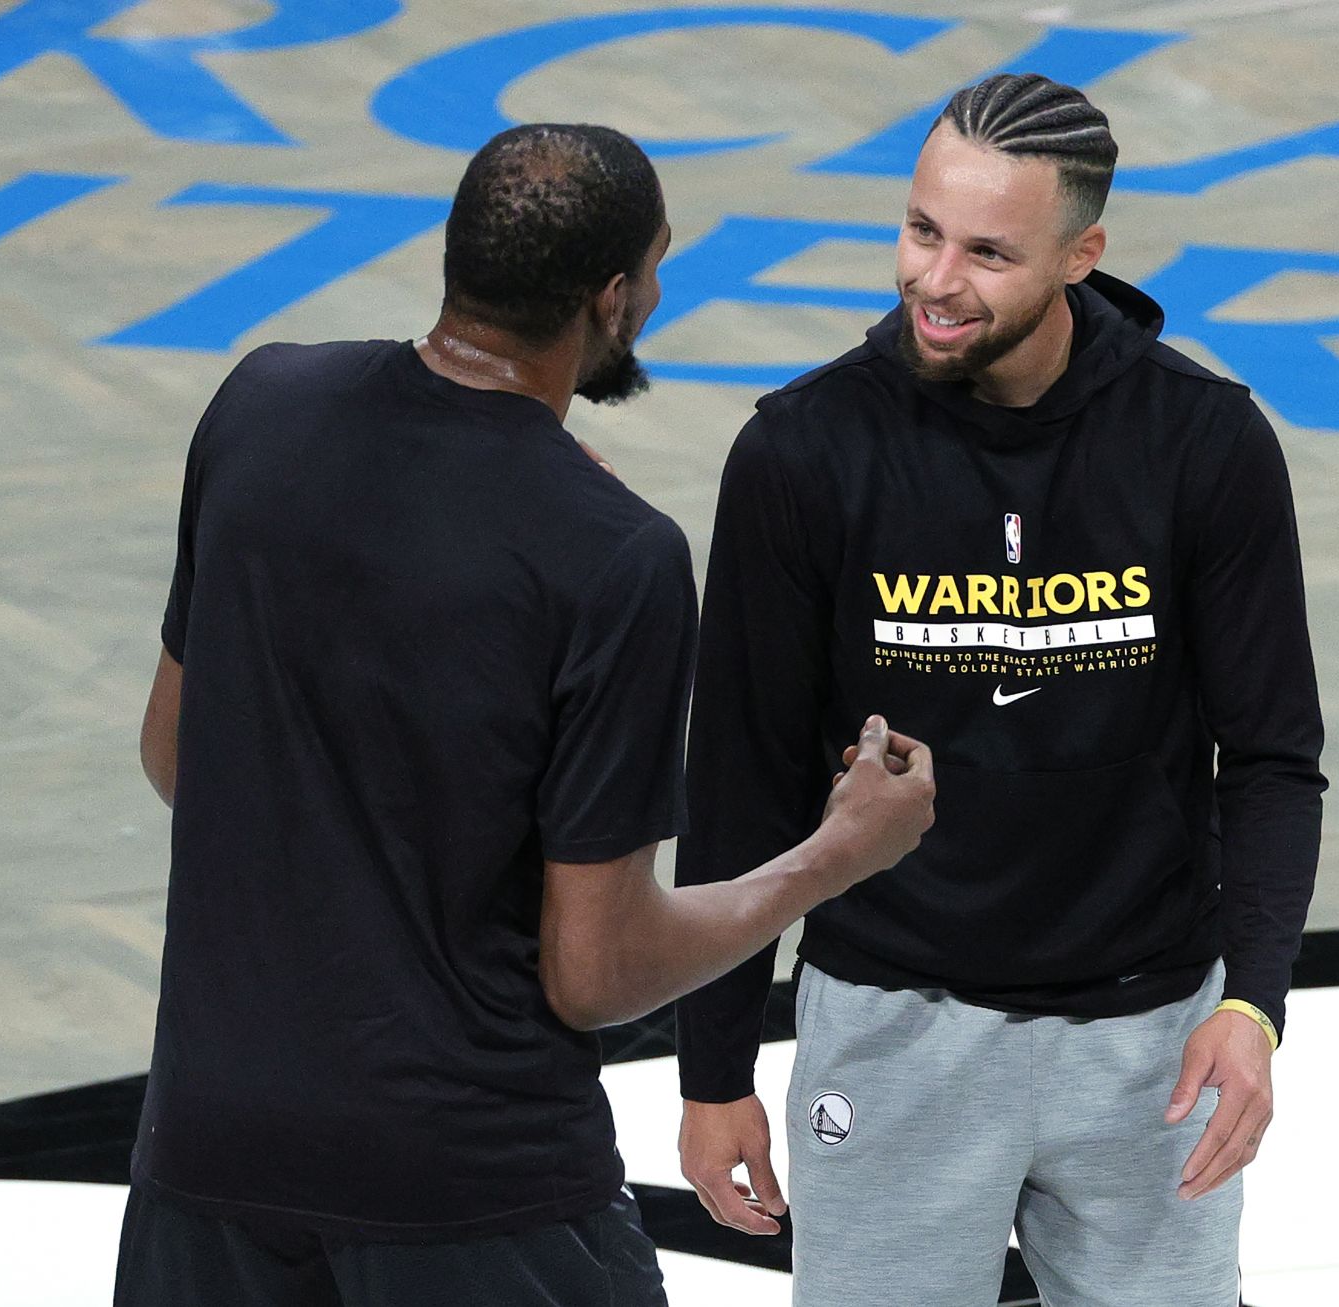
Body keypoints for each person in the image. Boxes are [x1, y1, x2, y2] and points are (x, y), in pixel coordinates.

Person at [120, 123, 935, 1307]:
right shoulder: (612, 557)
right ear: (612, 296)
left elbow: (174, 754)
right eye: (654, 267)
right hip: (469, 1185)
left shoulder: (261, 403)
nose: (656, 291)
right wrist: (833, 855)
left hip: (206, 1152)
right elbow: (595, 970)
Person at [674, 75, 1327, 1305]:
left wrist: (1252, 1005)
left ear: (1083, 254)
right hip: (890, 1021)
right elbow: (741, 783)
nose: (935, 279)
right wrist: (712, 1072)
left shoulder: (1204, 443)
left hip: (1152, 1043)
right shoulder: (803, 450)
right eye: (922, 230)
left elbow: (1275, 756)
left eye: (986, 251)